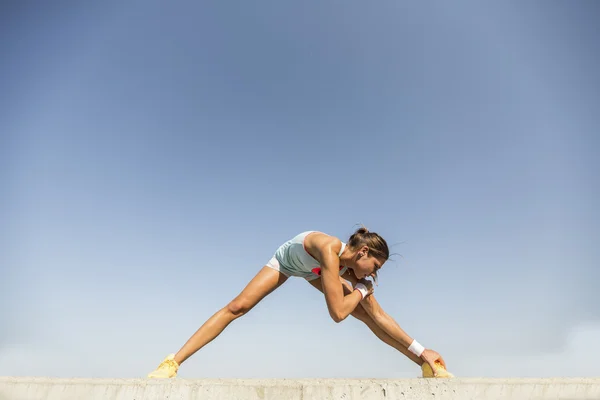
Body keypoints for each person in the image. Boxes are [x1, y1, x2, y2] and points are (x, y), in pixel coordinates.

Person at [147, 227, 452, 378]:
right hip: (288, 262)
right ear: (362, 254)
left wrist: (422, 350)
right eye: (376, 267)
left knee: (370, 313)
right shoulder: (331, 252)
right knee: (238, 307)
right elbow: (337, 314)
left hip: (314, 270)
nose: (375, 274)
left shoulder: (345, 265)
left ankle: (424, 361)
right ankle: (172, 362)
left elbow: (378, 315)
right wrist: (362, 290)